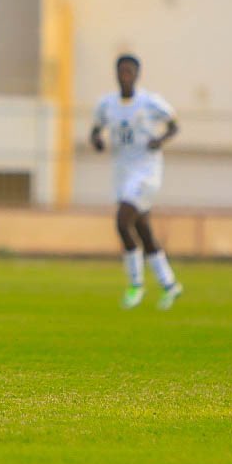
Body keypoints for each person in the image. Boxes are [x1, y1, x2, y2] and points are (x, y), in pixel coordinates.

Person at [89, 55, 183, 309]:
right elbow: (95, 130)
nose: (125, 75)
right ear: (116, 73)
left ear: (137, 74)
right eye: (121, 71)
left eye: (130, 71)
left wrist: (160, 141)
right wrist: (97, 141)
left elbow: (174, 125)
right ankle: (170, 285)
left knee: (122, 222)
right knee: (143, 230)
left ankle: (136, 284)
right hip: (122, 171)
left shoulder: (149, 102)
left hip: (146, 170)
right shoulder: (107, 104)